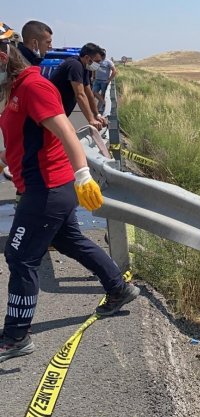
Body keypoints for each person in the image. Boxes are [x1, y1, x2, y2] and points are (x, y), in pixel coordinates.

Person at [0, 24, 139, 363]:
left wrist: (82, 175)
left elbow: (66, 131)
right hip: (41, 184)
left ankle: (16, 336)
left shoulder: (33, 86)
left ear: (3, 56)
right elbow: (24, 137)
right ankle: (119, 289)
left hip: (48, 188)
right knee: (68, 240)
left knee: (20, 257)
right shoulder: (14, 87)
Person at [49, 42, 106, 130]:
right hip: (51, 109)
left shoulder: (85, 67)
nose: (98, 65)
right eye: (97, 61)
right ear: (87, 58)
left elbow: (88, 93)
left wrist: (96, 114)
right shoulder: (75, 65)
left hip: (61, 110)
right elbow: (80, 95)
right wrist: (91, 120)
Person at [92, 49, 116, 114]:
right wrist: (93, 77)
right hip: (97, 80)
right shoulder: (97, 60)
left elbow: (114, 71)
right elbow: (94, 68)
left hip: (104, 81)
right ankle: (103, 102)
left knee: (102, 95)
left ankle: (98, 109)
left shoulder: (108, 62)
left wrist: (109, 80)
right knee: (94, 92)